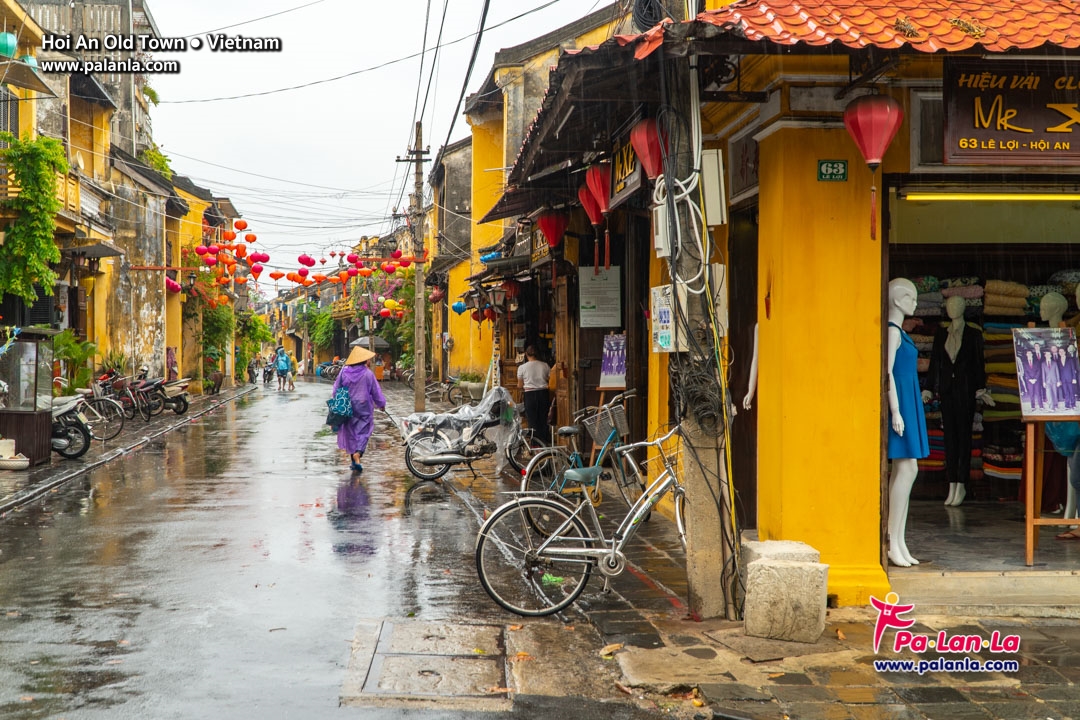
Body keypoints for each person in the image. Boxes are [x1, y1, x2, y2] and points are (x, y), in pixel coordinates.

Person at [922, 296, 994, 507]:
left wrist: (981, 388)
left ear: (963, 308)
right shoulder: (941, 333)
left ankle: (962, 482)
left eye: (957, 305)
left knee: (964, 437)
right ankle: (951, 482)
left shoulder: (973, 334)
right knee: (949, 438)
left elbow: (978, 363)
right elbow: (935, 361)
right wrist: (928, 387)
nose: (952, 308)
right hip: (947, 391)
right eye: (950, 305)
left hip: (966, 391)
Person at [886, 278, 929, 568]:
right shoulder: (891, 332)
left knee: (906, 469)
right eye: (911, 296)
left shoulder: (900, 331)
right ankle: (892, 539)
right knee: (906, 468)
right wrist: (896, 411)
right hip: (900, 401)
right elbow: (886, 372)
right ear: (899, 299)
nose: (915, 302)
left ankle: (898, 540)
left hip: (907, 398)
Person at [332, 345, 387, 472]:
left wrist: (336, 402)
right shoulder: (368, 374)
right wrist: (381, 404)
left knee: (350, 431)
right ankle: (358, 453)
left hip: (347, 405)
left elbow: (336, 389)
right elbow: (375, 391)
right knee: (364, 430)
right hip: (364, 405)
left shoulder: (343, 372)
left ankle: (353, 460)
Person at [517, 345, 552, 444]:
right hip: (543, 394)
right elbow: (550, 380)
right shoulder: (545, 365)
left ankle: (535, 445)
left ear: (526, 354)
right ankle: (544, 443)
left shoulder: (522, 368)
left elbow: (520, 385)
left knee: (532, 420)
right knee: (543, 418)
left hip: (530, 395)